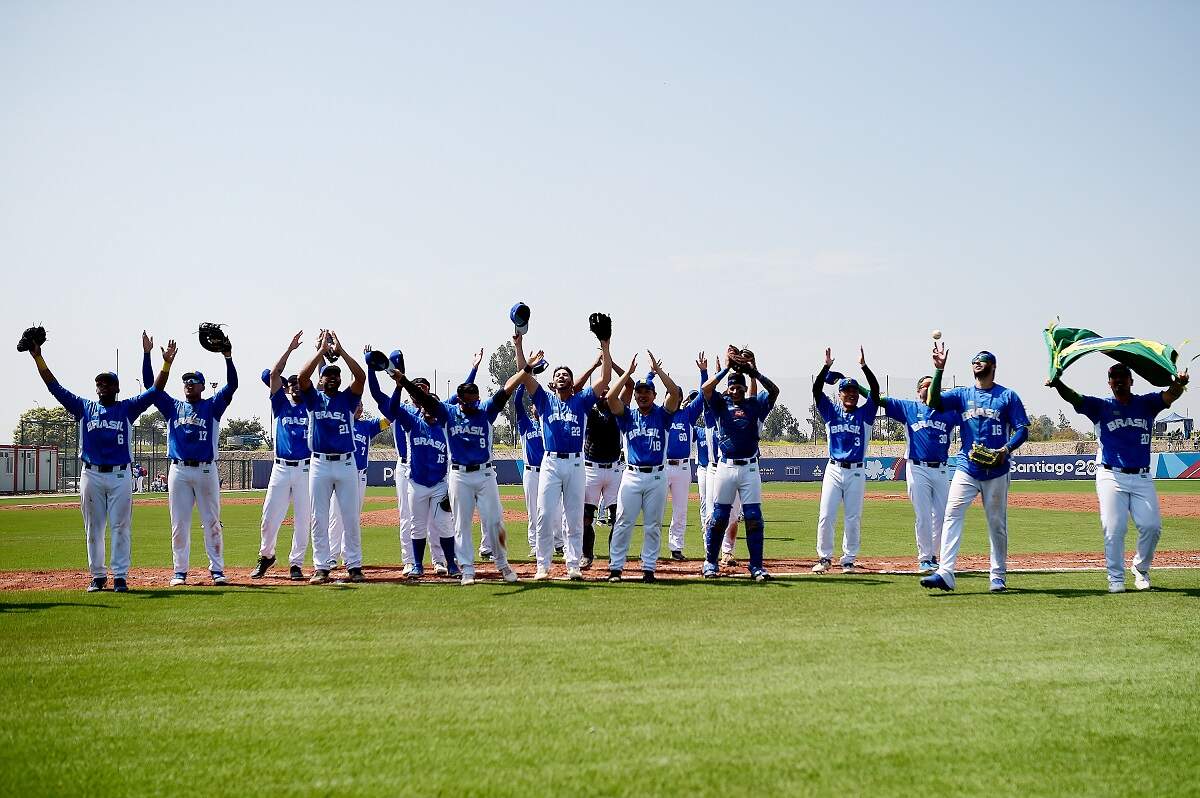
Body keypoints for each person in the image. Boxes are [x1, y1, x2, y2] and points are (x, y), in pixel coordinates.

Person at [28, 333, 159, 592]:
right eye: (99, 383)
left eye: (108, 383)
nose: (103, 386)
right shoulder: (84, 407)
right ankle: (98, 576)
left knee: (121, 527)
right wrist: (38, 358)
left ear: (117, 388)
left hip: (121, 475)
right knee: (93, 529)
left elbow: (155, 391)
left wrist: (151, 357)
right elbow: (55, 387)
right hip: (91, 474)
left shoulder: (127, 408)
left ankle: (120, 576)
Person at [1048, 363, 1189, 591]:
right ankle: (1115, 578)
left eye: (1123, 377)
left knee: (1152, 526)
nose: (1119, 380)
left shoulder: (1146, 403)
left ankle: (1141, 569)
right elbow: (1074, 398)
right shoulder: (1100, 406)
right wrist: (1058, 383)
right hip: (1110, 474)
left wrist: (1179, 383)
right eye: (1114, 377)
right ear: (1109, 383)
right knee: (1114, 527)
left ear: (1132, 381)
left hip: (1142, 476)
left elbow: (1171, 395)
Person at [920, 346, 1029, 593]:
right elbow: (933, 401)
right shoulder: (962, 395)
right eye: (974, 361)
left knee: (996, 524)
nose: (977, 363)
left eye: (982, 360)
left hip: (997, 469)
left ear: (993, 366)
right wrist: (938, 370)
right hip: (967, 466)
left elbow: (1022, 429)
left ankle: (998, 576)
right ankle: (946, 573)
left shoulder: (1008, 396)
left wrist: (1006, 450)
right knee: (952, 513)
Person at [515, 328, 612, 580]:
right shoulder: (545, 400)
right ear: (553, 381)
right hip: (551, 462)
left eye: (565, 374)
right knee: (545, 514)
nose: (561, 377)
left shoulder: (580, 401)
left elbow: (605, 379)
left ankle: (573, 565)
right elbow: (524, 377)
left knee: (573, 516)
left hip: (576, 463)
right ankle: (542, 564)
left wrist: (605, 347)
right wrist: (519, 344)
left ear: (571, 382)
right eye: (558, 374)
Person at [151, 335, 238, 587]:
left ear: (202, 386)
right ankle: (179, 572)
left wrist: (228, 357)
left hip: (206, 470)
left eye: (194, 381)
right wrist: (155, 360)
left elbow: (232, 385)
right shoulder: (172, 407)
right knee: (179, 524)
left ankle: (217, 570)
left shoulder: (212, 406)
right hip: (178, 470)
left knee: (212, 523)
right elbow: (152, 388)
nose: (189, 383)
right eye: (186, 381)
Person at [700, 346, 780, 580]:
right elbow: (705, 389)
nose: (735, 390)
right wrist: (726, 369)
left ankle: (756, 566)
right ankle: (710, 563)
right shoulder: (720, 405)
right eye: (732, 387)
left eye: (739, 387)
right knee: (719, 517)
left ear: (745, 389)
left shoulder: (754, 406)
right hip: (725, 467)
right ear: (728, 388)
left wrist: (754, 372)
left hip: (750, 468)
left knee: (754, 516)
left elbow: (774, 390)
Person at [296, 330, 367, 584]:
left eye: (336, 376)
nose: (333, 379)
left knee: (350, 517)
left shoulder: (348, 399)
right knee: (319, 517)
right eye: (328, 376)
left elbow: (360, 377)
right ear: (321, 381)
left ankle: (354, 565)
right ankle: (321, 567)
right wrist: (321, 351)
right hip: (319, 464)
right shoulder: (313, 399)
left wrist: (342, 350)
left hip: (347, 463)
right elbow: (303, 376)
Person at [606, 353, 682, 581]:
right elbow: (611, 398)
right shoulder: (627, 416)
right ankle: (616, 568)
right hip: (632, 475)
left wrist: (658, 372)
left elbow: (676, 394)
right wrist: (627, 375)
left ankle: (648, 568)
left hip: (658, 476)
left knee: (653, 525)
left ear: (654, 394)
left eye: (647, 391)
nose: (642, 395)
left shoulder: (662, 415)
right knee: (623, 522)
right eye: (639, 392)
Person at [880, 375, 961, 573]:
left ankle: (934, 555)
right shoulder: (909, 408)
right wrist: (864, 374)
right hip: (917, 467)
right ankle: (925, 558)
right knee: (923, 515)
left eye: (934, 386)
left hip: (941, 468)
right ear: (919, 391)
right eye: (926, 385)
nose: (931, 388)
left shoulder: (949, 412)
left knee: (943, 516)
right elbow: (880, 399)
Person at [811, 347, 880, 574]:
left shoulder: (865, 414)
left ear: (858, 395)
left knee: (853, 517)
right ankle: (824, 558)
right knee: (826, 515)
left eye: (853, 391)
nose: (850, 393)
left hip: (856, 471)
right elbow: (816, 389)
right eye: (845, 390)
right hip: (834, 469)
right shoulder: (831, 412)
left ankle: (848, 559)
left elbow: (876, 392)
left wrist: (864, 366)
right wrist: (826, 367)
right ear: (839, 394)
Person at [253, 332, 313, 580]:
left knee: (303, 520)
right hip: (281, 467)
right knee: (269, 517)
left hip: (306, 469)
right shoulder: (281, 404)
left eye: (299, 382)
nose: (296, 385)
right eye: (292, 383)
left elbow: (313, 378)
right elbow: (275, 374)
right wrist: (289, 349)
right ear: (287, 388)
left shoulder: (312, 405)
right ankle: (267, 556)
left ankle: (296, 563)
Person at [387, 370, 457, 578]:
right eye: (426, 404)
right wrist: (399, 386)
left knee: (444, 525)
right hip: (416, 484)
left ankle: (450, 563)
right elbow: (393, 409)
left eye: (432, 404)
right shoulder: (412, 422)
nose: (429, 408)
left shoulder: (445, 429)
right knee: (416, 526)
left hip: (439, 484)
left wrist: (451, 487)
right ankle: (417, 564)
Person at [328, 401, 389, 571]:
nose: (360, 408)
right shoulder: (339, 423)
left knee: (353, 517)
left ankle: (347, 557)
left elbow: (389, 419)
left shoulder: (367, 426)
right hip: (340, 474)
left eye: (362, 405)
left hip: (359, 476)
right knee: (336, 516)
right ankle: (331, 556)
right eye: (356, 404)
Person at [579, 355, 625, 570]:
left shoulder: (617, 408)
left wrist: (612, 363)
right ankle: (587, 554)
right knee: (586, 518)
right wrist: (594, 366)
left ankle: (613, 557)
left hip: (615, 469)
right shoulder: (588, 407)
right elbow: (577, 389)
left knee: (618, 518)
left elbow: (630, 384)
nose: (605, 390)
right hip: (592, 469)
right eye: (602, 387)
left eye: (609, 387)